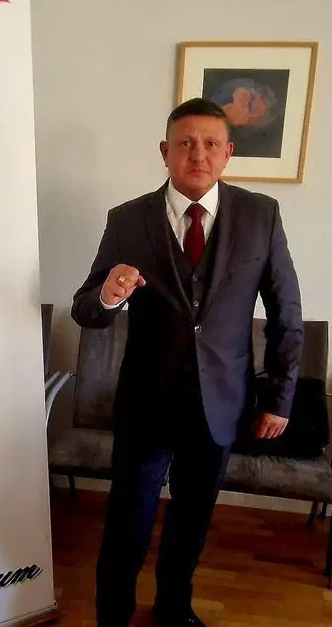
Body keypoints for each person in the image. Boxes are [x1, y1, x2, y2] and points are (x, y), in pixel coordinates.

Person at [71, 98, 304, 627]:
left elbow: (286, 312)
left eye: (210, 143)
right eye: (185, 143)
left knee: (193, 519)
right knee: (128, 519)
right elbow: (86, 309)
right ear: (165, 151)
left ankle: (174, 609)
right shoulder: (127, 219)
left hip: (222, 403)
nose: (198, 153)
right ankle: (113, 616)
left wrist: (280, 398)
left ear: (228, 152)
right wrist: (108, 296)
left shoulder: (261, 215)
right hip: (146, 402)